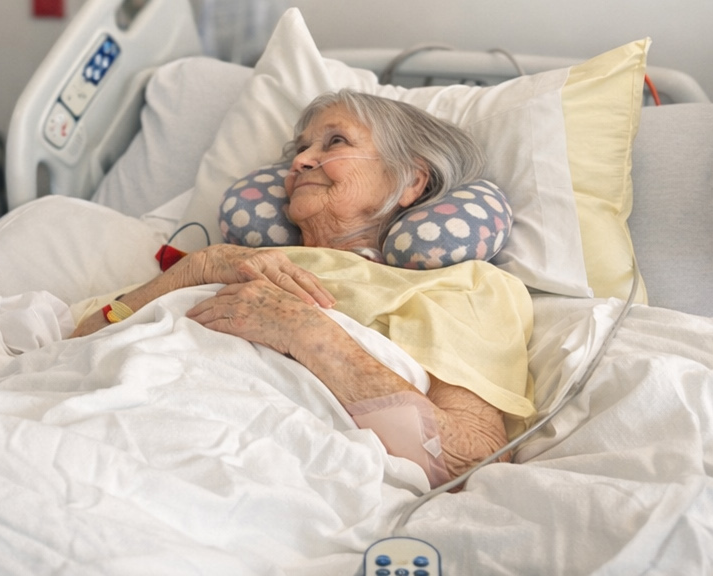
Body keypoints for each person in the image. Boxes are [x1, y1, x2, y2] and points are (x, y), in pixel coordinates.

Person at [73, 92, 534, 485]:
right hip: (93, 411)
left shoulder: (460, 286)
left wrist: (305, 332)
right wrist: (195, 269)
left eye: (334, 141)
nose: (300, 161)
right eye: (300, 147)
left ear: (411, 179)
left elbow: (470, 461)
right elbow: (80, 343)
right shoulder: (224, 260)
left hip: (235, 456)